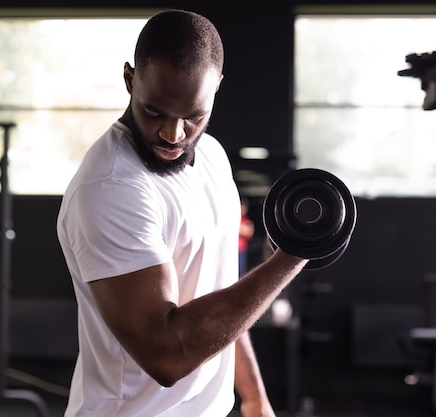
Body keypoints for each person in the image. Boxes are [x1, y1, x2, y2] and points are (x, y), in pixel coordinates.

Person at [57, 9, 308, 417]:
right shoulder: (111, 188)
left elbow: (219, 297)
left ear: (216, 89)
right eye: (155, 112)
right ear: (130, 79)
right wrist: (290, 258)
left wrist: (254, 397)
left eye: (193, 116)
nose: (173, 135)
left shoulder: (211, 156)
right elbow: (166, 355)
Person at [239, 198, 255, 276]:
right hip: (234, 249)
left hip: (242, 249)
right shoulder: (235, 219)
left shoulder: (246, 220)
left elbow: (249, 232)